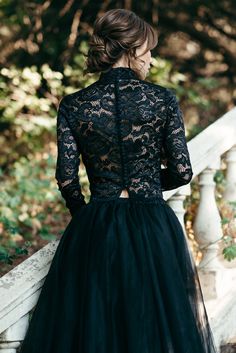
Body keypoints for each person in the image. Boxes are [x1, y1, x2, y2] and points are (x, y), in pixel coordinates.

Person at [19, 8, 218, 353]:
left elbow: (67, 178)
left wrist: (87, 217)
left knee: (99, 327)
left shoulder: (74, 105)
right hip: (152, 222)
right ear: (132, 49)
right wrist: (147, 185)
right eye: (149, 50)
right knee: (155, 326)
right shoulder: (163, 100)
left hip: (97, 223)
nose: (152, 58)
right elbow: (183, 171)